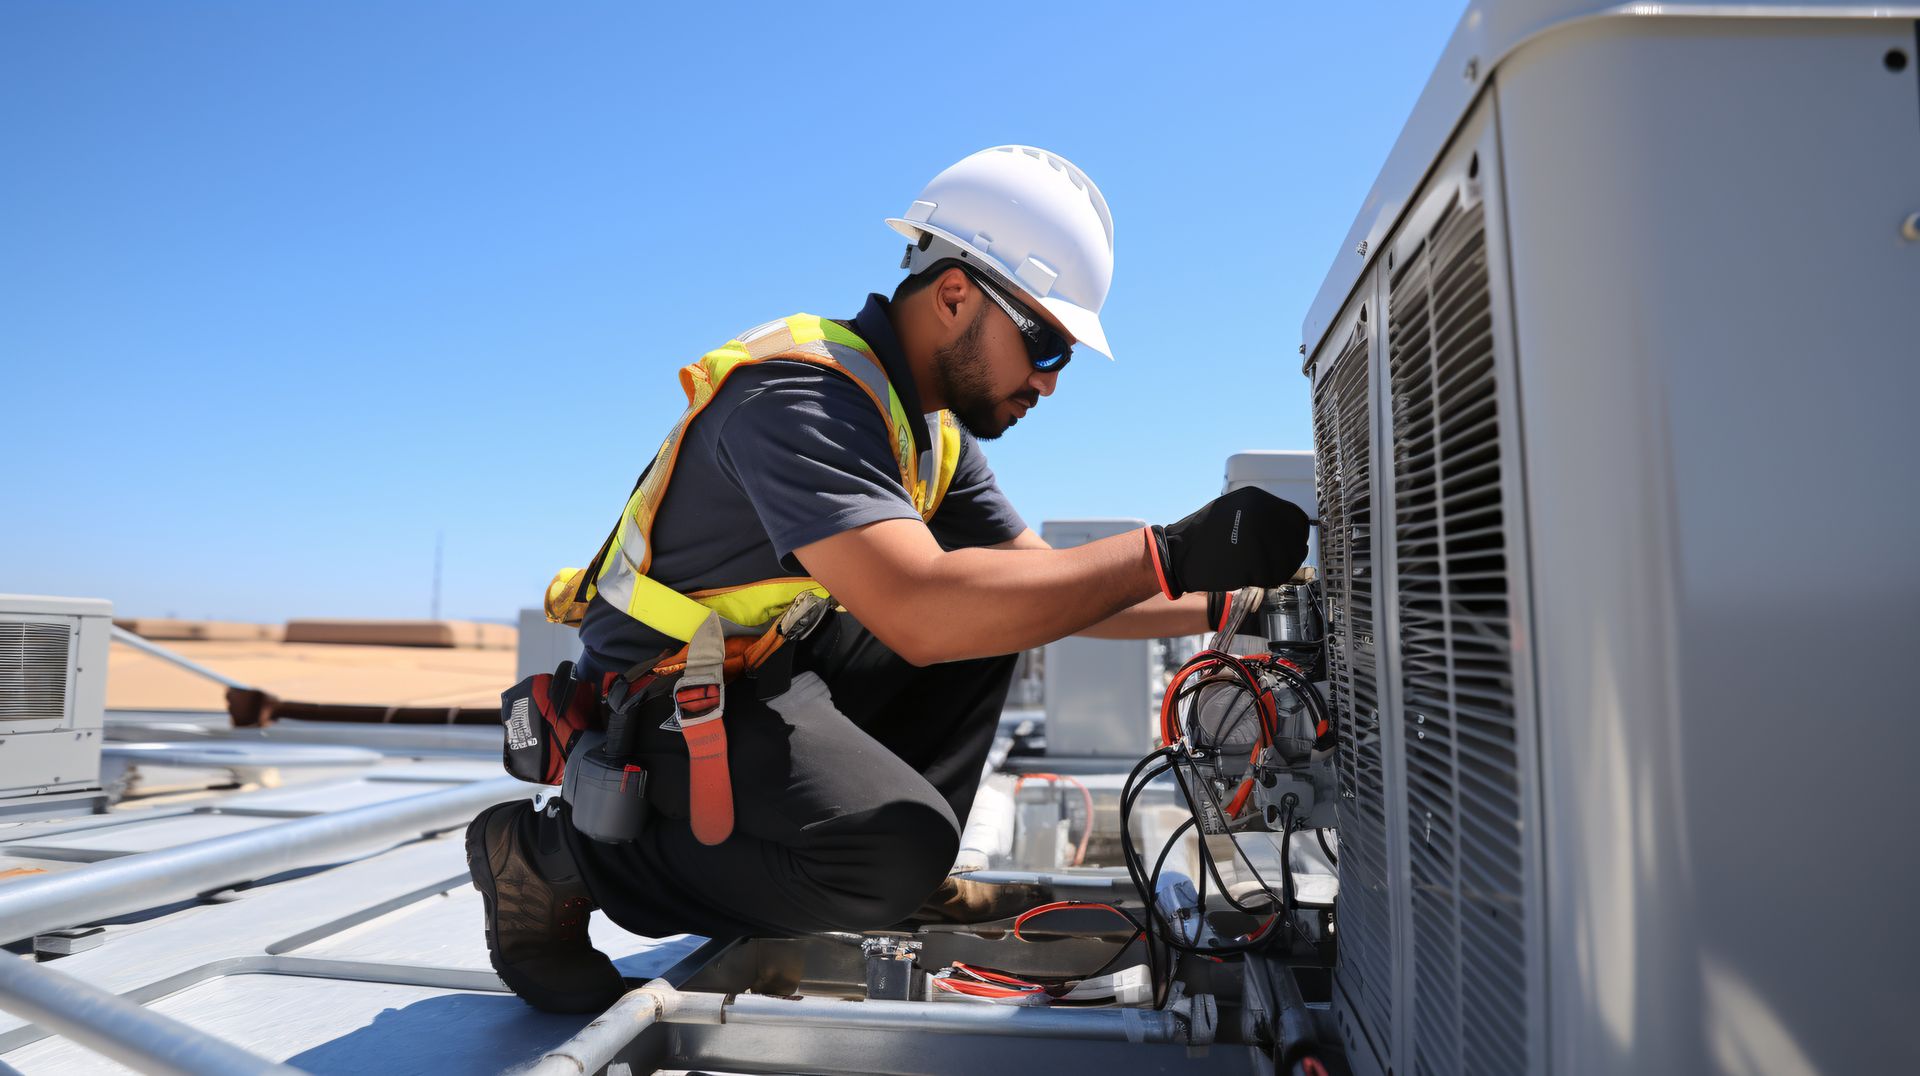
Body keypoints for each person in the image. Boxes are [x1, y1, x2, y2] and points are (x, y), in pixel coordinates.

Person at [467, 145, 1311, 1013]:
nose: (1050, 383)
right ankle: (555, 859)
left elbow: (1049, 586)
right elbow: (920, 613)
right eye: (1047, 344)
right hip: (651, 706)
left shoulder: (929, 435)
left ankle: (901, 873)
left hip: (753, 678)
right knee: (891, 836)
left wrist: (1241, 602)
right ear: (954, 296)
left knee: (1005, 608)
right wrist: (1166, 549)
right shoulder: (803, 397)